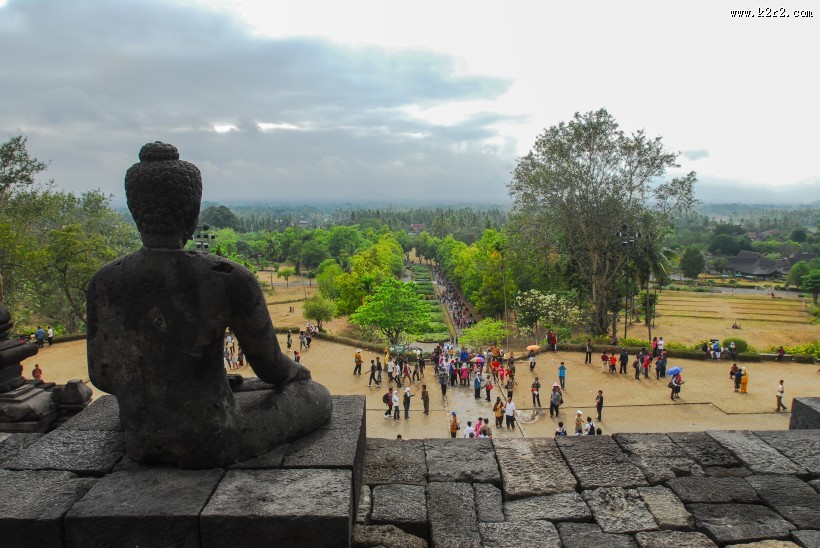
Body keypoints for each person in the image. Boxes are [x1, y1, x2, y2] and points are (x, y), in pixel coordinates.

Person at [86, 142, 332, 468]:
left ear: (135, 211)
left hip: (142, 437)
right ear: (192, 212)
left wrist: (186, 386)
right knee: (316, 396)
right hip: (214, 437)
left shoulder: (105, 281)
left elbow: (102, 375)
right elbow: (272, 369)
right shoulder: (226, 276)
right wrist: (297, 371)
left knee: (242, 386)